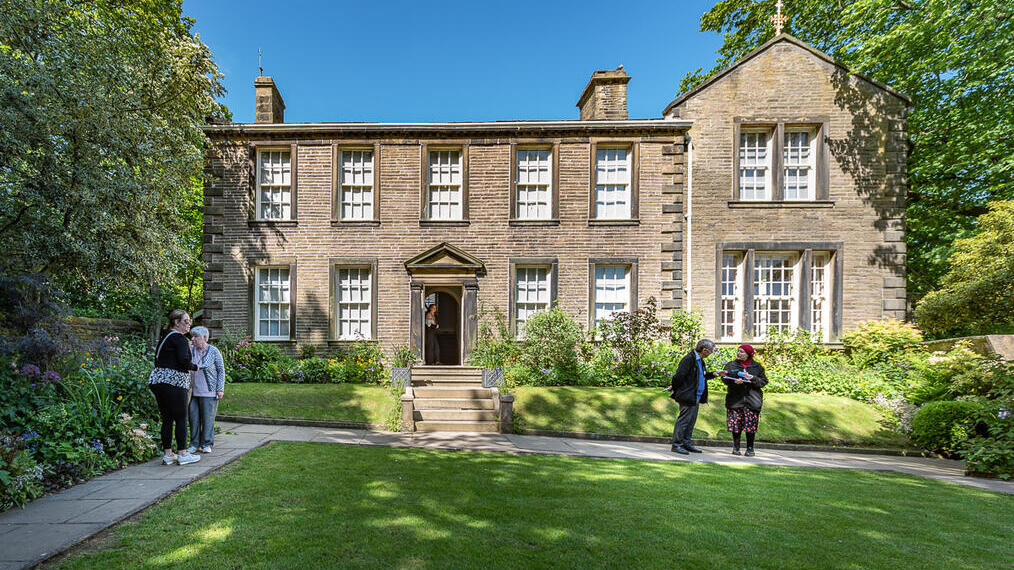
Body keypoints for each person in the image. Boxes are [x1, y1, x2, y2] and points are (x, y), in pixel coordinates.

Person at [147, 310, 201, 465]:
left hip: (158, 381)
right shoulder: (179, 338)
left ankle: (168, 454)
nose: (189, 324)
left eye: (190, 321)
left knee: (167, 419)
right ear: (176, 323)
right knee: (181, 417)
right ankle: (183, 454)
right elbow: (183, 361)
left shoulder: (165, 338)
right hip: (174, 382)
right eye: (186, 321)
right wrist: (195, 366)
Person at [666, 339, 721, 454]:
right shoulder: (689, 359)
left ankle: (686, 443)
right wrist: (675, 388)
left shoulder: (700, 360)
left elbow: (701, 376)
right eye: (711, 351)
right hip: (688, 396)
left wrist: (714, 374)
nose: (711, 353)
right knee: (684, 421)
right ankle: (677, 445)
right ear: (704, 350)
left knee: (691, 421)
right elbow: (679, 376)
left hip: (696, 396)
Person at [720, 344, 768, 456]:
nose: (739, 353)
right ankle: (736, 448)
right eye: (738, 351)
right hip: (735, 399)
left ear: (749, 354)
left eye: (742, 352)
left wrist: (753, 378)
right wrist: (733, 381)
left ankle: (750, 449)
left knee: (750, 426)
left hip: (752, 400)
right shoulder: (731, 365)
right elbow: (724, 378)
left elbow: (763, 382)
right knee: (735, 424)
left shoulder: (757, 367)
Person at [187, 326, 225, 455]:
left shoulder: (213, 351)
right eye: (192, 336)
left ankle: (207, 443)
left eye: (195, 336)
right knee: (193, 419)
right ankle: (194, 444)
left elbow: (221, 370)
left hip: (209, 391)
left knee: (208, 419)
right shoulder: (190, 350)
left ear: (204, 338)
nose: (193, 339)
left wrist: (220, 389)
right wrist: (187, 348)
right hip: (192, 391)